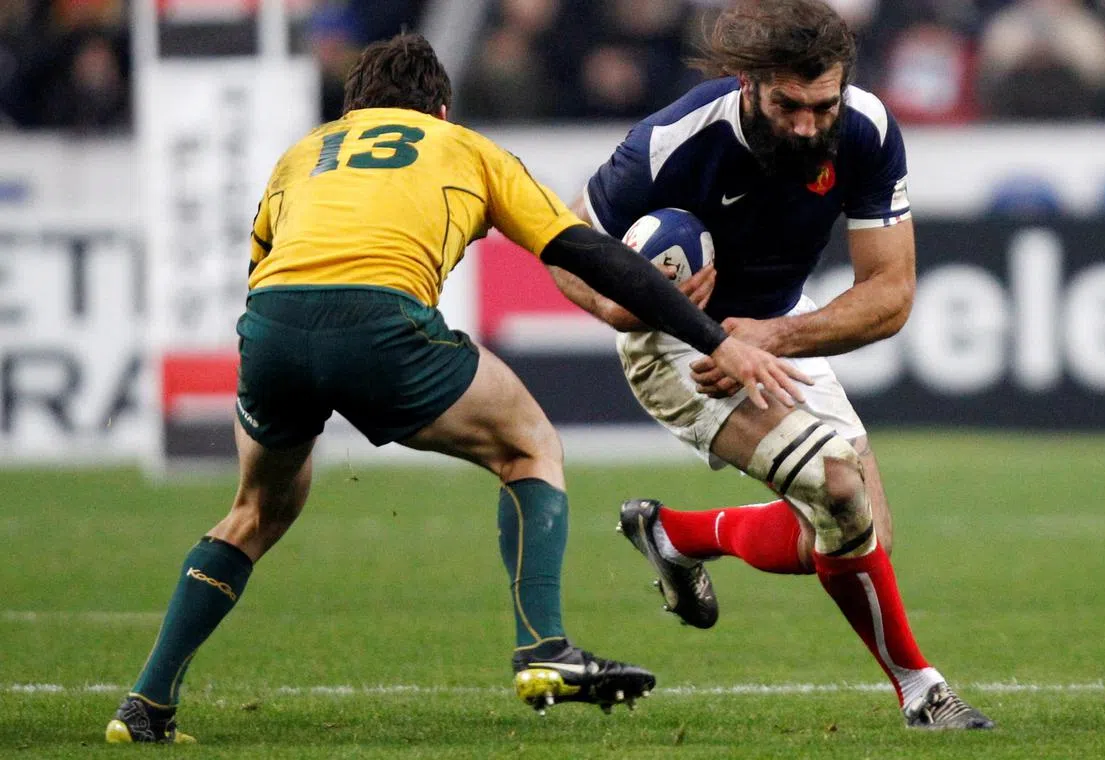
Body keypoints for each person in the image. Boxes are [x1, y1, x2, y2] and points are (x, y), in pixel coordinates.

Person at [104, 32, 811, 744]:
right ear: (440, 108)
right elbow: (581, 249)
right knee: (528, 446)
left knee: (255, 511)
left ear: (353, 107)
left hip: (271, 327)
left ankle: (145, 706)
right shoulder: (464, 148)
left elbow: (263, 264)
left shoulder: (302, 154)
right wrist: (714, 337)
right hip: (379, 318)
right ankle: (544, 649)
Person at [549, 0, 994, 730]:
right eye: (789, 105)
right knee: (835, 481)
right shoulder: (670, 143)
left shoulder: (866, 130)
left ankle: (676, 534)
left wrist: (773, 338)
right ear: (747, 83)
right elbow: (565, 246)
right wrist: (620, 308)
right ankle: (923, 691)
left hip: (774, 329)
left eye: (823, 105)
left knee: (854, 528)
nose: (808, 125)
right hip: (678, 348)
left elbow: (892, 292)